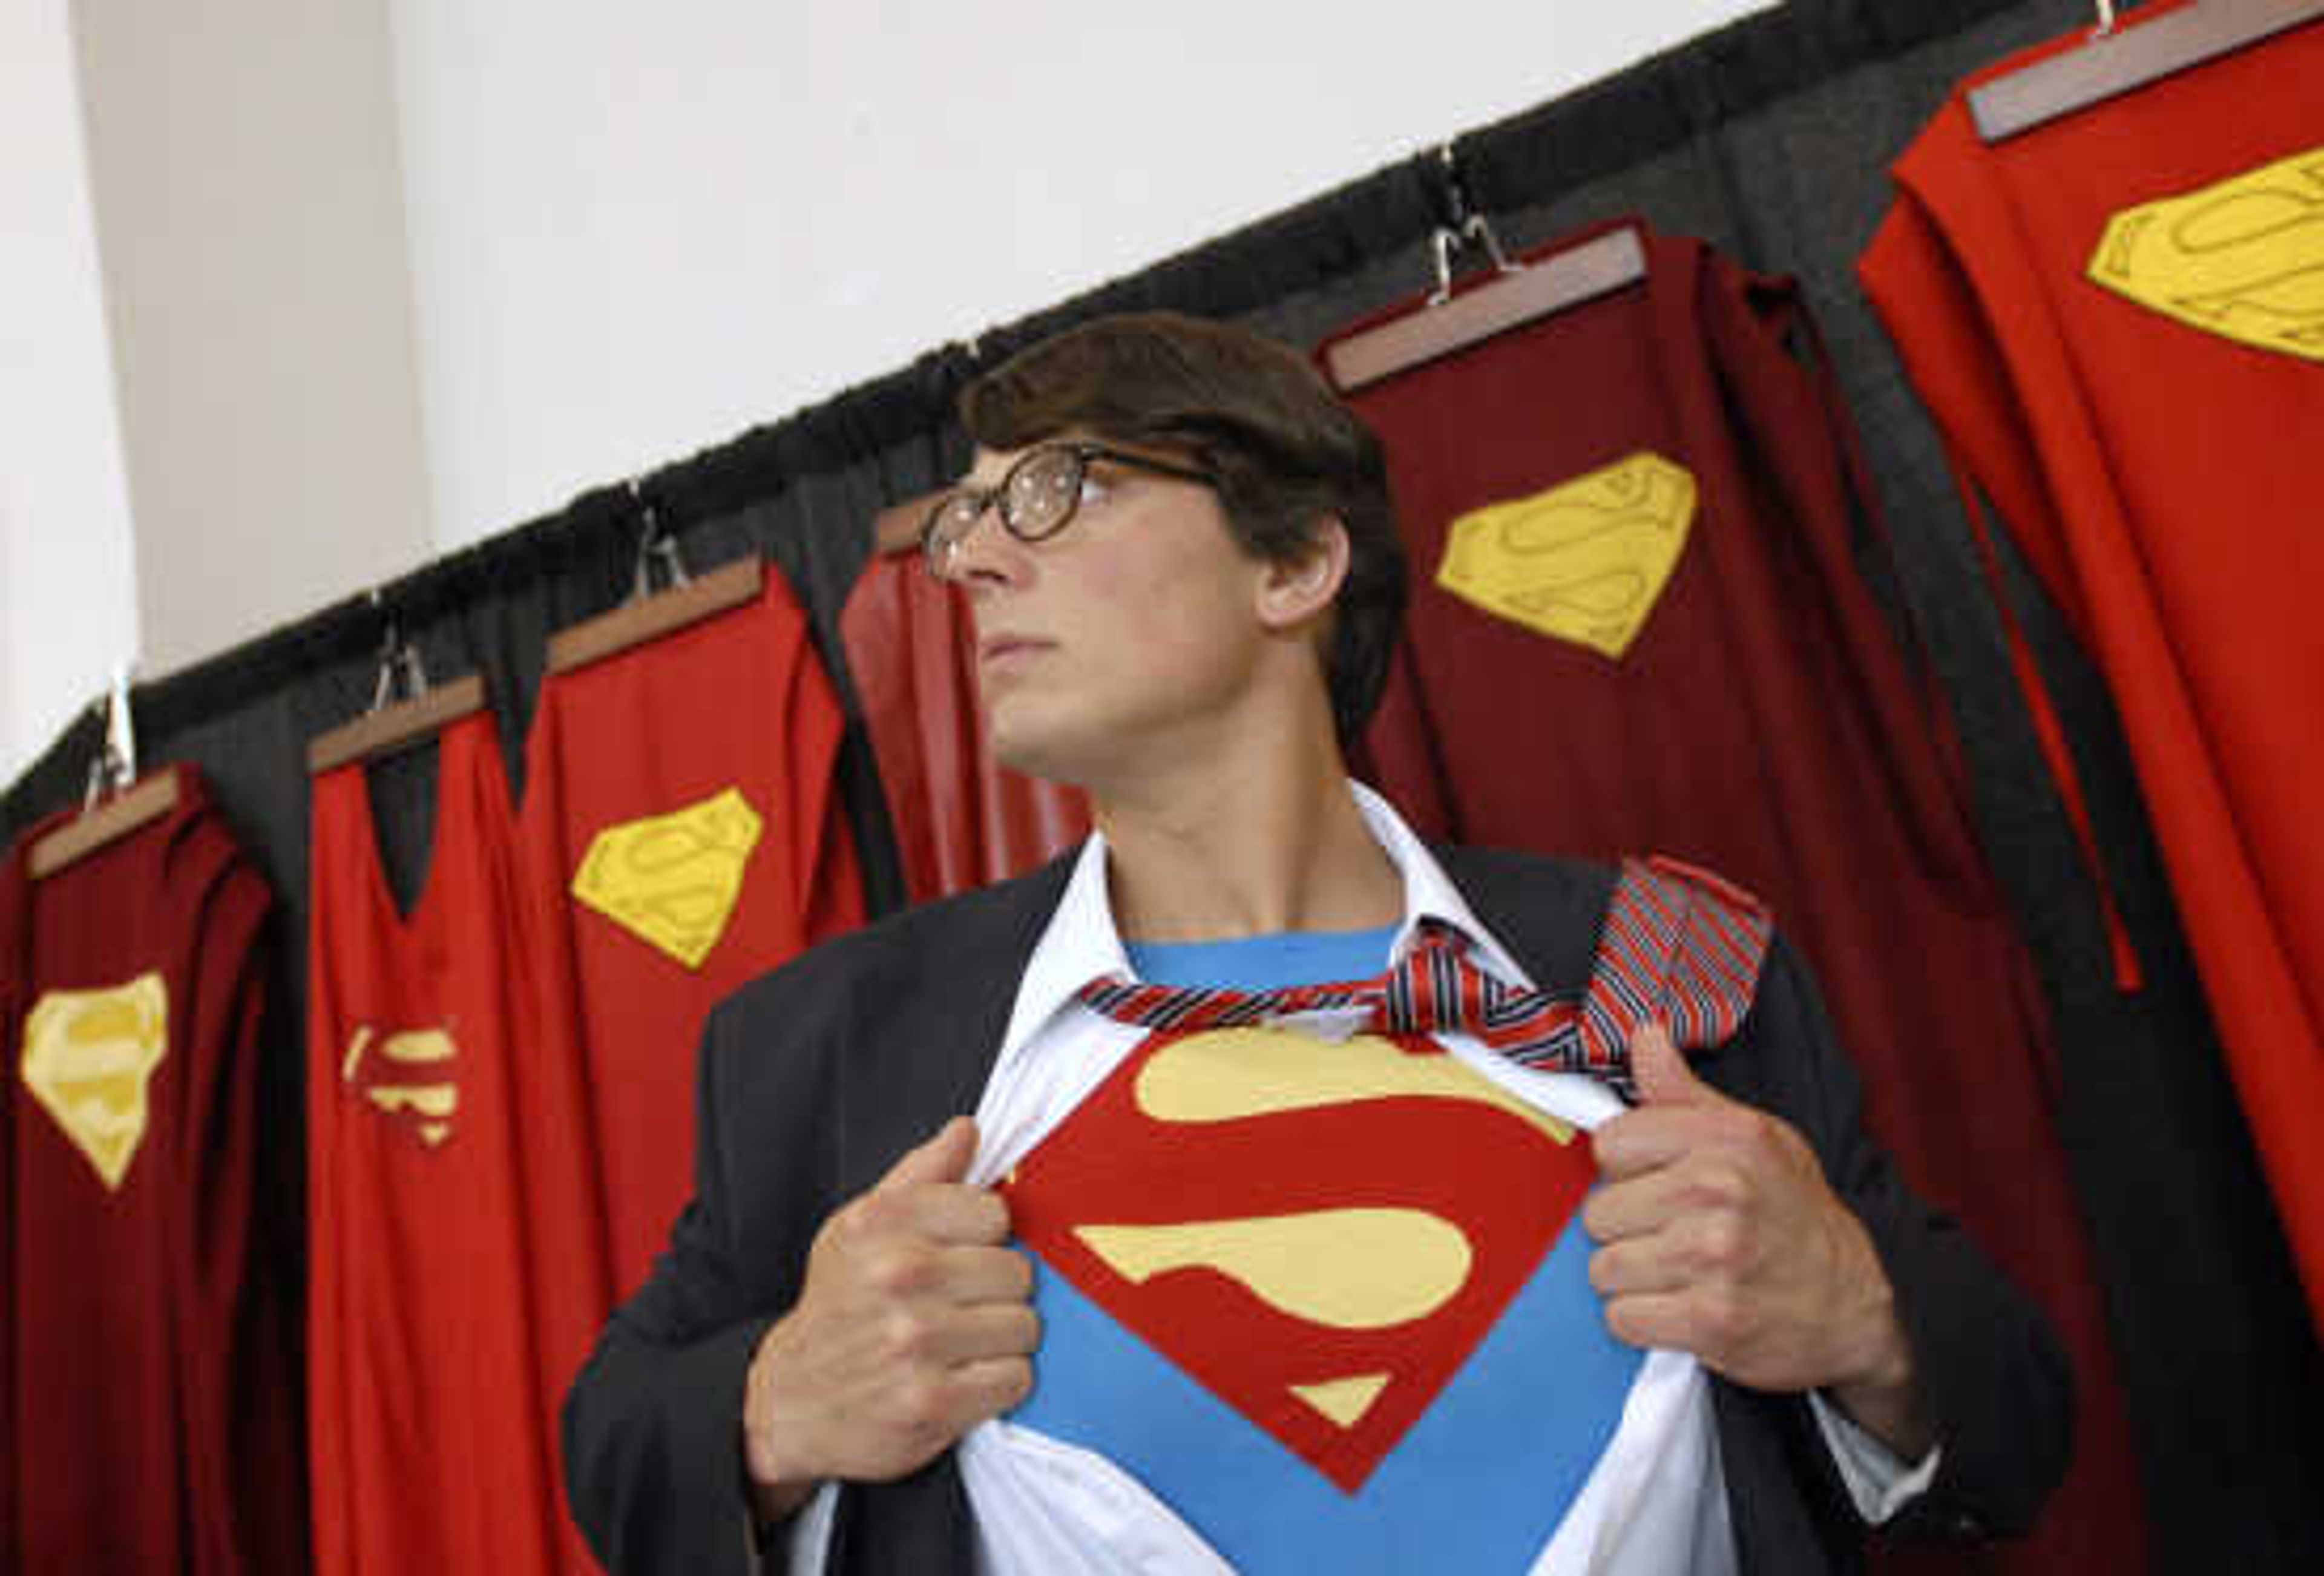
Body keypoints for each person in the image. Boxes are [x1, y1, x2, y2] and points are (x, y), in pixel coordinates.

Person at [561, 311, 2070, 1574]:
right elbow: (616, 1440)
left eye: (1059, 493)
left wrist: (1866, 1319)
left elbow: (2019, 1427)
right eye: (968, 519)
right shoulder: (833, 1041)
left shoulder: (1658, 964)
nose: (968, 563)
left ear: (1295, 569)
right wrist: (772, 1412)